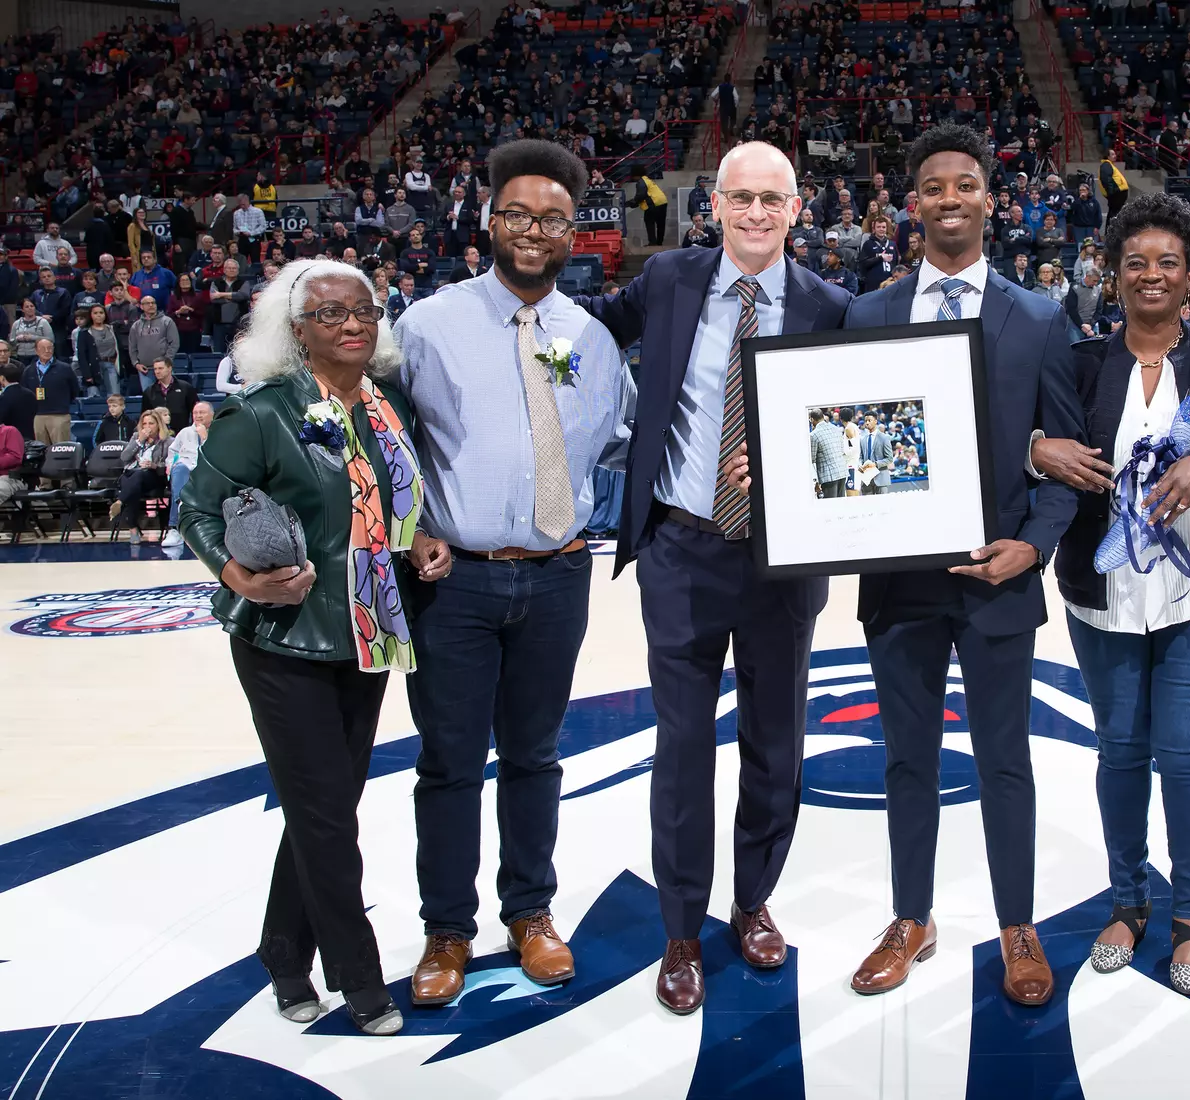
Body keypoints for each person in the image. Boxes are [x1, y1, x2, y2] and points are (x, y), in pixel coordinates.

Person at [576, 140, 852, 1015]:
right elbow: (576, 332)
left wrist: (793, 464)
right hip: (681, 551)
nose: (758, 214)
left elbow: (859, 431)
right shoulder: (668, 281)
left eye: (774, 199)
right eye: (743, 198)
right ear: (717, 206)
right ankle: (682, 928)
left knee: (777, 745)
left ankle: (753, 900)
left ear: (798, 209)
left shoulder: (832, 306)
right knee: (683, 749)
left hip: (781, 560)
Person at [826, 123, 1081, 1007]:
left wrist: (1036, 546)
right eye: (932, 186)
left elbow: (1066, 458)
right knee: (907, 759)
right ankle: (912, 917)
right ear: (912, 204)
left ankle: (1018, 925)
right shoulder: (869, 312)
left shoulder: (1040, 317)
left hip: (1000, 573)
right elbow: (843, 447)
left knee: (1005, 756)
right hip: (900, 580)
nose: (948, 199)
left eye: (965, 185)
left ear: (989, 200)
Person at [394, 140, 635, 1011]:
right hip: (454, 579)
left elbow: (617, 441)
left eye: (554, 220)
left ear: (578, 232)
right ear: (490, 221)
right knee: (450, 761)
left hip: (558, 575)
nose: (535, 232)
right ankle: (446, 929)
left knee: (535, 756)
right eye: (520, 216)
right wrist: (408, 530)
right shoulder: (426, 324)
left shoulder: (591, 338)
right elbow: (387, 447)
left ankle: (529, 913)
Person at [180, 258, 437, 1037]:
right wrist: (237, 576)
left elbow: (391, 506)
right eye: (330, 314)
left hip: (370, 630)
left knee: (321, 806)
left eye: (363, 311)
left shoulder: (391, 404)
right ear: (296, 331)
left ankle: (282, 952)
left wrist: (419, 540)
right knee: (328, 816)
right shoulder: (262, 413)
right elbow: (197, 508)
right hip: (284, 638)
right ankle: (359, 979)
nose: (352, 323)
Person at [1032, 193, 1190, 997]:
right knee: (1121, 753)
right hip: (1103, 593)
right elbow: (1041, 448)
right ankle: (1128, 903)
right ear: (1112, 271)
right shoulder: (1080, 363)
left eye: (1167, 261)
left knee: (1184, 754)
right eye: (1135, 261)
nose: (1151, 274)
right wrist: (1039, 449)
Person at [112, 408, 170, 544]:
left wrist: (154, 466)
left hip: (153, 477)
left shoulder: (167, 441)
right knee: (132, 481)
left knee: (135, 477)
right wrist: (139, 441)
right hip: (132, 476)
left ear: (158, 425)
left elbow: (170, 465)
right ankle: (133, 528)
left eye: (151, 423)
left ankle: (121, 503)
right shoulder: (135, 437)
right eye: (144, 424)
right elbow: (124, 457)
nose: (147, 427)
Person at [161, 401, 213, 547]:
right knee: (179, 468)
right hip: (184, 472)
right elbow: (172, 453)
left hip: (208, 471)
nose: (198, 416)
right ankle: (175, 527)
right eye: (195, 413)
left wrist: (205, 438)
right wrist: (170, 466)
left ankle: (180, 511)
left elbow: (217, 455)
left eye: (201, 412)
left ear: (211, 415)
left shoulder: (218, 431)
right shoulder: (185, 432)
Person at [23, 338, 77, 443]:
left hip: (59, 415)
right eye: (43, 348)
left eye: (49, 348)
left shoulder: (65, 368)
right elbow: (25, 393)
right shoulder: (29, 370)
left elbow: (74, 390)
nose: (47, 351)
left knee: (60, 449)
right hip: (37, 416)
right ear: (36, 351)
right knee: (41, 450)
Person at [140, 358, 198, 437]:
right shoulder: (149, 392)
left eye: (160, 368)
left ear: (169, 368)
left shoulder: (186, 388)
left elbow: (195, 410)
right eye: (155, 369)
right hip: (158, 436)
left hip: (182, 434)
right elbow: (145, 415)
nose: (157, 372)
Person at [167, 273, 209, 354]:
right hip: (178, 331)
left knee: (193, 353)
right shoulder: (173, 297)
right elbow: (169, 315)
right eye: (182, 280)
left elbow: (203, 313)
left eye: (187, 280)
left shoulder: (198, 296)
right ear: (178, 283)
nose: (185, 282)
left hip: (194, 330)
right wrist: (178, 312)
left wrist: (191, 310)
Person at [809, 408, 847, 496]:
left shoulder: (813, 435)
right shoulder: (836, 429)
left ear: (812, 419)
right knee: (841, 505)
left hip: (828, 476)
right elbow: (842, 450)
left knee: (830, 507)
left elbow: (812, 459)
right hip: (842, 472)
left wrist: (815, 481)